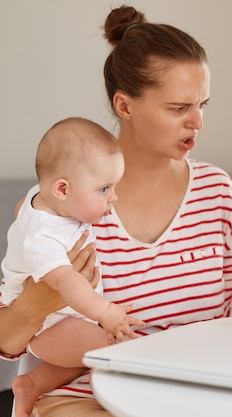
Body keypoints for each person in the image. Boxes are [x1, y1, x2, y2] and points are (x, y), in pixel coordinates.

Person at [0, 5, 232, 417]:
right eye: (178, 108)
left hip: (191, 394)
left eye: (203, 104)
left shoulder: (215, 189)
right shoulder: (64, 201)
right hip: (86, 397)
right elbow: (7, 339)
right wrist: (39, 301)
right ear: (125, 106)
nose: (198, 121)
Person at [1, 117, 146, 417]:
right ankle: (112, 400)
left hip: (63, 320)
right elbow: (66, 281)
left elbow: (21, 209)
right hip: (48, 324)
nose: (113, 198)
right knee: (111, 350)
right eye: (104, 189)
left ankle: (31, 384)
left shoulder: (42, 200)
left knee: (88, 354)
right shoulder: (43, 238)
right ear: (63, 189)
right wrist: (106, 312)